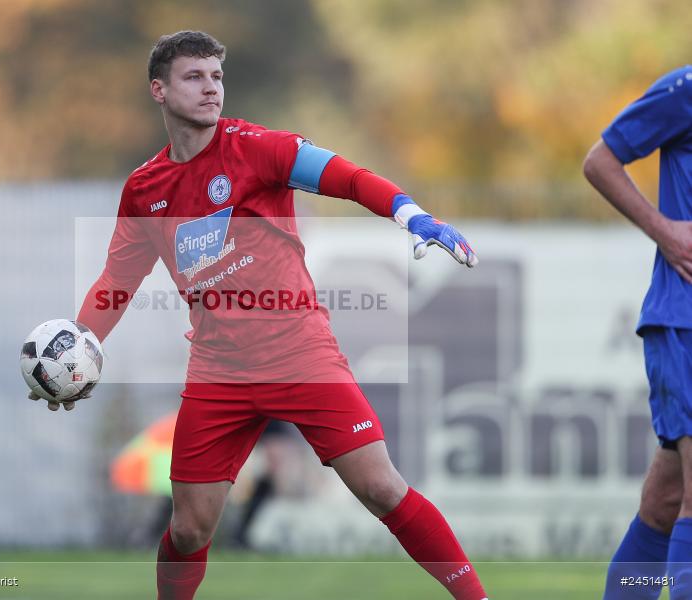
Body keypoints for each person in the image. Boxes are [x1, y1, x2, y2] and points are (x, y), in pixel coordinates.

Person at [42, 30, 488, 599]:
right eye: (194, 77)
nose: (211, 89)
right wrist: (80, 349)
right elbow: (117, 283)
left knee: (382, 488)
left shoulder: (259, 149)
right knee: (188, 527)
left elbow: (348, 177)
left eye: (217, 77)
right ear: (159, 89)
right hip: (218, 374)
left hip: (300, 355)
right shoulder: (144, 189)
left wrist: (411, 214)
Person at [583, 65, 692, 599]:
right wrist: (666, 231)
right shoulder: (687, 89)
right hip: (686, 319)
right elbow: (600, 160)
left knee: (665, 503)